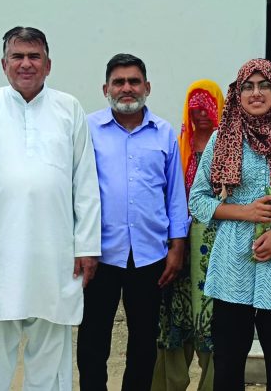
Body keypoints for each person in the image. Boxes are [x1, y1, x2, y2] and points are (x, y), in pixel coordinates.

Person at [0, 26, 102, 391]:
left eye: (34, 56)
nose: (26, 64)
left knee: (50, 356)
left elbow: (85, 183)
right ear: (3, 64)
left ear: (48, 65)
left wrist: (87, 247)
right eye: (17, 56)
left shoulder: (69, 108)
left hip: (54, 253)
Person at [188, 58, 271, 390]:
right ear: (238, 95)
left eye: (264, 85)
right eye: (247, 87)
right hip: (233, 266)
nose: (256, 93)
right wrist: (245, 212)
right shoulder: (223, 141)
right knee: (228, 366)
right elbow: (198, 200)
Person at [78, 53, 189, 391]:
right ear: (106, 89)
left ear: (147, 87)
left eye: (134, 81)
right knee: (93, 338)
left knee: (143, 340)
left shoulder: (163, 132)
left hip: (150, 254)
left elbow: (174, 193)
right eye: (119, 82)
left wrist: (177, 246)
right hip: (99, 253)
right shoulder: (87, 129)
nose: (127, 88)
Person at [152, 79, 224, 391]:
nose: (202, 114)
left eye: (208, 108)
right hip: (179, 243)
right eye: (196, 109)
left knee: (212, 317)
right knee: (173, 315)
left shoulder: (229, 149)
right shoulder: (178, 146)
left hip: (216, 246)